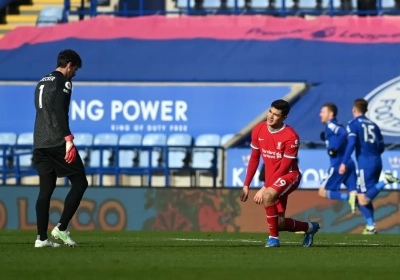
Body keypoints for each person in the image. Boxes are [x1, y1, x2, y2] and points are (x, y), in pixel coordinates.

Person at [240, 99, 319, 248]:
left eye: (276, 115)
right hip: (272, 179)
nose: (271, 116)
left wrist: (265, 187)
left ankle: (273, 239)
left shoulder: (291, 137)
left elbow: (284, 167)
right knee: (279, 223)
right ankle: (310, 227)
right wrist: (246, 184)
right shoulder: (258, 129)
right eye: (270, 111)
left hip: (290, 175)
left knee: (267, 195)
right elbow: (254, 158)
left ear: (284, 118)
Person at [33, 49, 88, 247]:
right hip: (57, 141)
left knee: (45, 190)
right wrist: (68, 139)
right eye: (75, 69)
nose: (75, 74)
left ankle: (41, 238)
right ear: (69, 65)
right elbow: (59, 110)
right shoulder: (64, 81)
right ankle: (61, 228)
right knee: (80, 183)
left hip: (39, 142)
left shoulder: (42, 81)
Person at [339, 98, 400, 234]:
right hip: (377, 161)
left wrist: (344, 161)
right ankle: (371, 227)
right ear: (366, 110)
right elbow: (382, 147)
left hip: (364, 163)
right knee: (364, 195)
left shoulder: (353, 124)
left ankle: (385, 181)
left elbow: (352, 143)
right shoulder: (374, 125)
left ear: (354, 109)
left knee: (363, 199)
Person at [318, 103, 357, 213]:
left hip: (338, 164)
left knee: (322, 191)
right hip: (349, 162)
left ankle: (347, 198)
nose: (320, 114)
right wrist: (326, 138)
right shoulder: (333, 126)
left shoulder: (331, 124)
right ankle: (370, 225)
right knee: (355, 193)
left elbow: (343, 133)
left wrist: (335, 148)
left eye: (323, 112)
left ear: (331, 114)